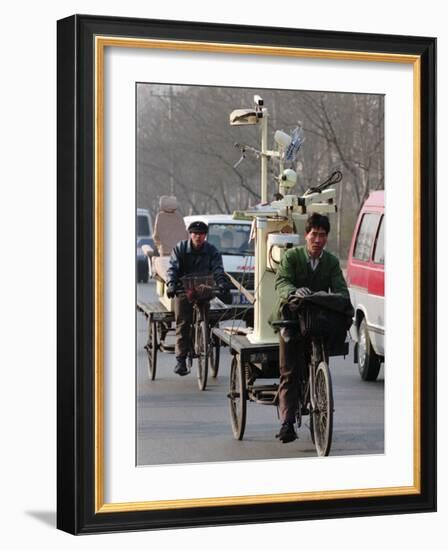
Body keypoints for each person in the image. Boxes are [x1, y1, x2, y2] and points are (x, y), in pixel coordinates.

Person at [271, 213, 351, 443]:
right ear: (306, 235)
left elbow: (341, 290)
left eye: (322, 235)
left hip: (317, 319)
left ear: (326, 238)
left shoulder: (332, 262)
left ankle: (320, 388)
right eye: (313, 234)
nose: (317, 239)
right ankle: (286, 423)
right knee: (290, 371)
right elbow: (282, 282)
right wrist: (294, 292)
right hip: (292, 319)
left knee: (325, 349)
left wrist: (331, 297)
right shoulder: (292, 256)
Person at [166, 221, 229, 376]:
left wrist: (221, 282)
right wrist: (171, 284)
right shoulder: (180, 248)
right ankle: (180, 360)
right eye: (195, 234)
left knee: (210, 317)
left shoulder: (212, 251)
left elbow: (218, 268)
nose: (198, 237)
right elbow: (172, 268)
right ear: (190, 234)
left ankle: (206, 337)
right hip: (184, 289)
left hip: (204, 288)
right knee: (183, 321)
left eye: (201, 234)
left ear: (205, 236)